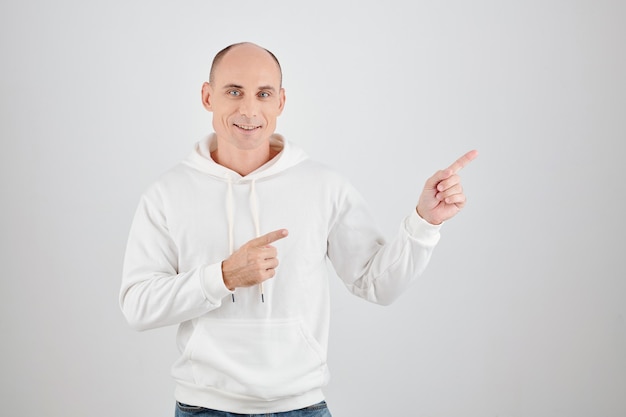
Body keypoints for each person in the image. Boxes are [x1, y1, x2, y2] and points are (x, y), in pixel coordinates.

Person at [120, 42, 477, 416]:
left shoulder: (323, 186)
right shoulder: (167, 193)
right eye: (233, 91)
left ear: (281, 102)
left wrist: (424, 222)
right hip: (203, 407)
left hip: (301, 407)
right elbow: (137, 306)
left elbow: (376, 284)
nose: (248, 109)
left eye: (263, 94)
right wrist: (223, 276)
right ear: (208, 96)